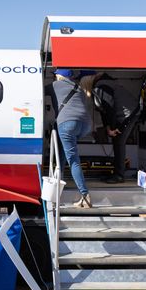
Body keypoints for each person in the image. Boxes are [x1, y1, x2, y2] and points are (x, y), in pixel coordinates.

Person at [53, 69, 93, 208]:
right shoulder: (79, 87)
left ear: (60, 76)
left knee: (73, 159)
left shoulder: (55, 85)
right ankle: (59, 181)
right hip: (85, 125)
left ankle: (85, 195)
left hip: (67, 123)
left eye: (56, 75)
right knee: (64, 151)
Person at [92, 74, 141, 183]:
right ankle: (117, 173)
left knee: (118, 143)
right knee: (117, 143)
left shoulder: (101, 87)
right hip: (129, 112)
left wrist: (113, 128)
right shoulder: (105, 85)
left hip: (128, 114)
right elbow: (104, 111)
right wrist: (108, 127)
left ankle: (119, 175)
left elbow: (110, 109)